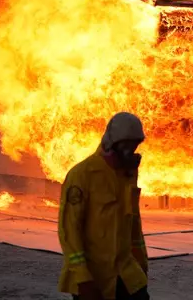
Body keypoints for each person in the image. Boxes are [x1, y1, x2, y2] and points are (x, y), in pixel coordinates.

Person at [58, 112, 150, 300]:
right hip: (94, 278)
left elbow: (134, 221)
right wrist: (82, 277)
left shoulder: (128, 174)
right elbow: (69, 229)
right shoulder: (83, 175)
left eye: (134, 146)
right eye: (127, 147)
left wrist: (141, 264)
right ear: (112, 145)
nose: (131, 152)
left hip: (126, 273)